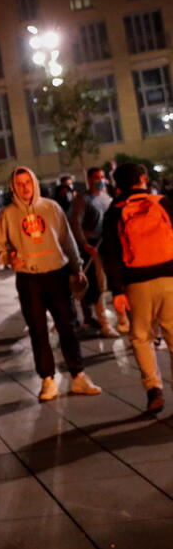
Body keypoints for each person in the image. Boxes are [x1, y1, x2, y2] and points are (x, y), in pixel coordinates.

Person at [0, 167, 102, 401]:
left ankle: (78, 375)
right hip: (28, 279)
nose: (24, 188)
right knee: (38, 330)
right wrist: (8, 258)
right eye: (19, 184)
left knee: (67, 327)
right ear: (13, 187)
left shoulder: (51, 208)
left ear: (34, 183)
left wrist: (77, 268)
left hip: (57, 274)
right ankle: (47, 380)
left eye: (27, 182)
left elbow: (67, 240)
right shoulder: (7, 215)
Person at [100, 162, 173, 413]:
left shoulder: (114, 211)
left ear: (117, 185)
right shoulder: (162, 202)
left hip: (136, 283)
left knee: (141, 337)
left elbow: (111, 255)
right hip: (169, 278)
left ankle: (154, 390)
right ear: (142, 178)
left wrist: (117, 291)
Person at [69, 167, 121, 337]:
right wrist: (84, 244)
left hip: (108, 244)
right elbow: (75, 224)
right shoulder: (83, 200)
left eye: (102, 176)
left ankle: (122, 320)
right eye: (97, 177)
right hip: (93, 246)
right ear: (89, 179)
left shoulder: (107, 197)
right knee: (99, 284)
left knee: (114, 282)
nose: (100, 180)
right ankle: (105, 323)